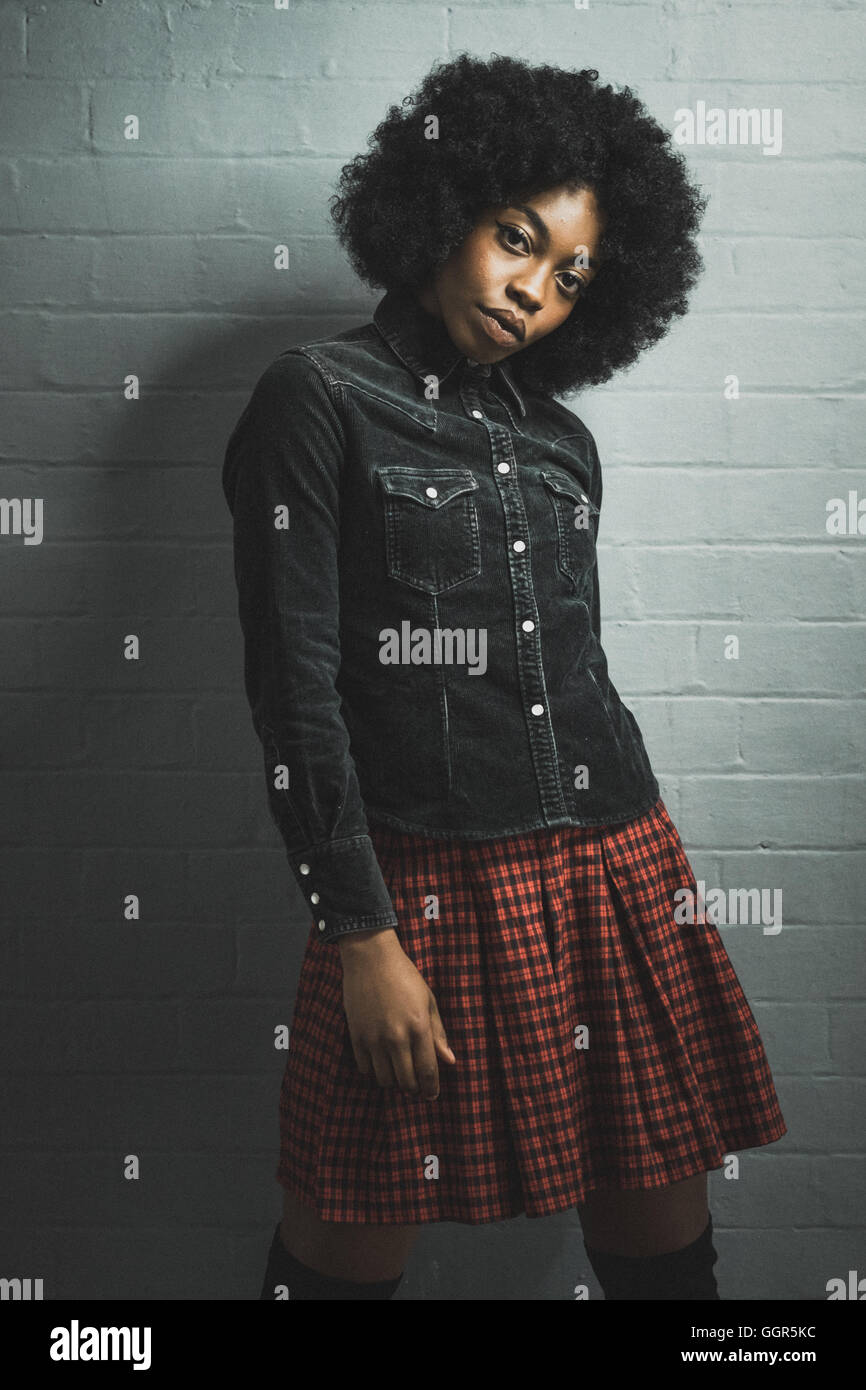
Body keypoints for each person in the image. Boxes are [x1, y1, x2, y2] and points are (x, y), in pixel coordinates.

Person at [222, 54, 787, 1301]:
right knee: (339, 1249)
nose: (534, 289)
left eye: (571, 277)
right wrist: (357, 930)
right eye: (516, 240)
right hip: (417, 879)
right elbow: (294, 693)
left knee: (663, 1254)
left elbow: (576, 664)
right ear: (441, 210)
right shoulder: (314, 401)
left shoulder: (560, 442)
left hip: (615, 865)